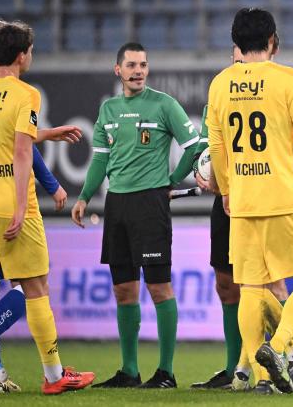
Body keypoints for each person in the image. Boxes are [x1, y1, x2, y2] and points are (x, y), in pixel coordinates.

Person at [207, 7, 293, 395]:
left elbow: (217, 146)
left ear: (236, 43)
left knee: (250, 288)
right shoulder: (290, 79)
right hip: (284, 197)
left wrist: (227, 190)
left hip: (243, 200)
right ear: (273, 41)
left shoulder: (219, 84)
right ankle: (277, 350)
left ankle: (255, 378)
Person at [71, 42, 200, 389]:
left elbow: (195, 145)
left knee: (159, 288)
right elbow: (99, 159)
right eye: (131, 65)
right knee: (124, 290)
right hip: (117, 205)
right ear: (118, 70)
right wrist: (84, 197)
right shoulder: (108, 109)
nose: (138, 70)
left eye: (143, 64)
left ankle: (167, 373)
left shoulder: (164, 104)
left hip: (150, 206)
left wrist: (171, 181)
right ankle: (129, 371)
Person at [0, 21, 94, 395]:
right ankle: (53, 376)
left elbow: (5, 135)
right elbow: (20, 151)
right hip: (14, 207)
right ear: (21, 55)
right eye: (30, 50)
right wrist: (17, 210)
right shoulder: (26, 93)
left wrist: (47, 132)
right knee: (37, 287)